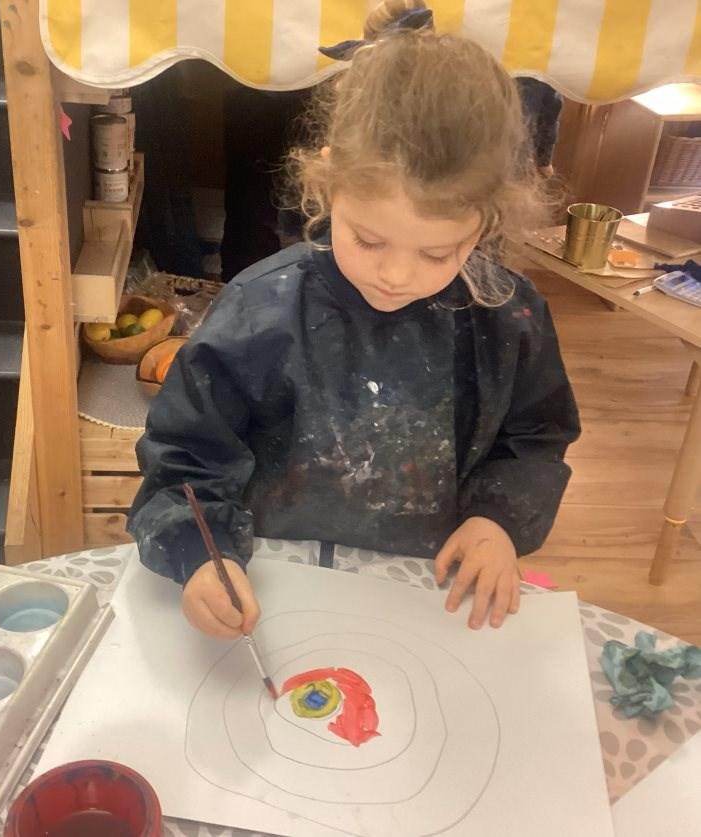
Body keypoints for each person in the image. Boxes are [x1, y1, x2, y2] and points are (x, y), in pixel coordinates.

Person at [127, 0, 580, 640]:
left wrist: (497, 520)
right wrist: (201, 555)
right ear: (328, 186)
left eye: (437, 253)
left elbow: (534, 439)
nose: (396, 274)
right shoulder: (261, 309)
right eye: (368, 239)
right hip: (274, 588)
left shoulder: (508, 318)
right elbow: (186, 458)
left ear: (486, 220)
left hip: (422, 594)